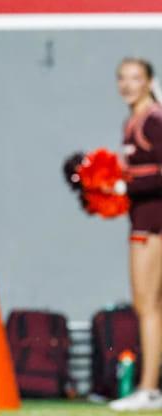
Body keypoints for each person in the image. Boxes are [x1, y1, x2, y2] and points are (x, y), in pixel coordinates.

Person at [109, 58, 162, 412]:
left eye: (135, 78)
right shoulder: (131, 122)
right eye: (122, 78)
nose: (127, 85)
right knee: (147, 306)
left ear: (149, 82)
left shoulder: (153, 120)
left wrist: (123, 183)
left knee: (149, 308)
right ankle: (148, 386)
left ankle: (148, 388)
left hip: (154, 225)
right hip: (140, 223)